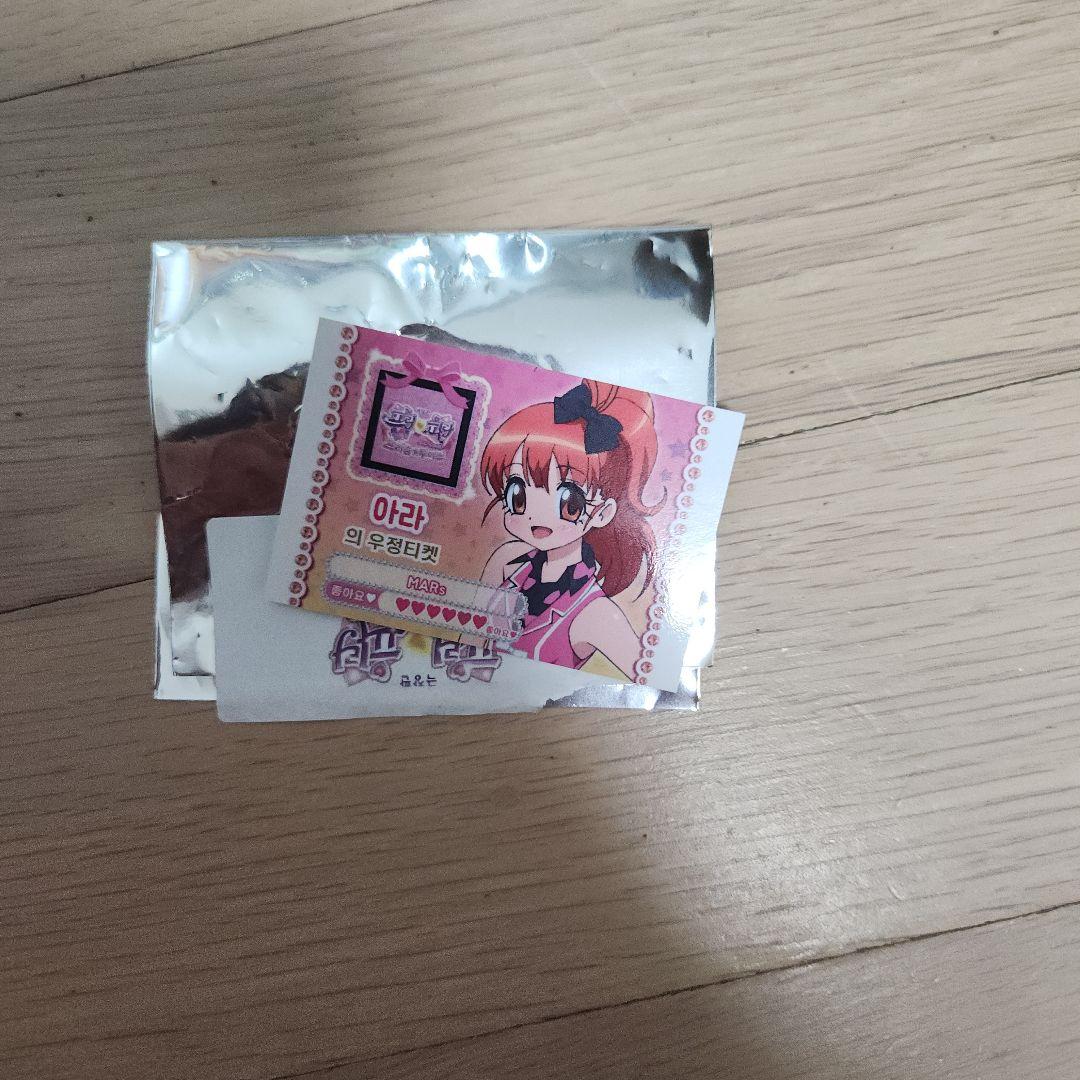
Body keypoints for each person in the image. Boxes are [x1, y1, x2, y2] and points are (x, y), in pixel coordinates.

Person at [479, 379, 663, 679]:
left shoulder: (595, 613)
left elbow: (653, 676)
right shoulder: (506, 561)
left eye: (569, 503)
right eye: (517, 495)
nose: (536, 515)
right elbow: (466, 635)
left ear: (603, 513)